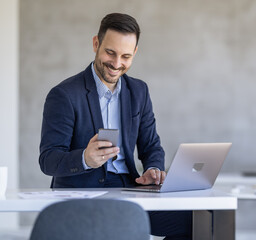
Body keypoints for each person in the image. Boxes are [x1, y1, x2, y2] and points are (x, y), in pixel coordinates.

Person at [39, 13, 192, 239]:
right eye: (110, 52)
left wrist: (153, 169)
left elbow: (151, 147)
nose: (117, 64)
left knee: (199, 222)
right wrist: (84, 159)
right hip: (84, 193)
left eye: (126, 56)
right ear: (96, 43)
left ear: (135, 53)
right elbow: (48, 160)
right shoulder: (64, 95)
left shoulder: (139, 91)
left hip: (130, 189)